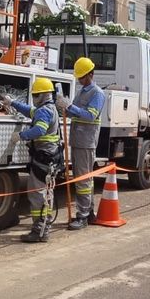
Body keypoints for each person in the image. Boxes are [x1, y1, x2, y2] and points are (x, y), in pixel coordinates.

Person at [0, 77, 61, 243]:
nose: (33, 98)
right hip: (50, 158)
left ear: (42, 95)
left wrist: (20, 136)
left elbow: (39, 130)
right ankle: (43, 229)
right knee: (45, 194)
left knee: (36, 194)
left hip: (43, 157)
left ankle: (39, 231)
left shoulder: (44, 111)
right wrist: (12, 102)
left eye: (35, 95)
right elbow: (29, 111)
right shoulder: (49, 108)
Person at [56, 57, 105, 230]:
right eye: (79, 77)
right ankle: (89, 213)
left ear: (91, 74)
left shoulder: (97, 93)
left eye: (82, 77)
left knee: (83, 180)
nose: (79, 80)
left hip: (86, 142)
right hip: (78, 140)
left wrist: (71, 107)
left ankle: (83, 216)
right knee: (83, 179)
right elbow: (73, 113)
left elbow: (90, 115)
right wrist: (63, 107)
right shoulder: (82, 91)